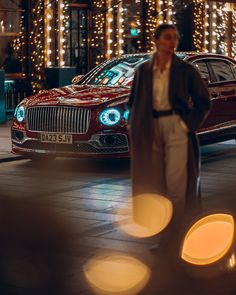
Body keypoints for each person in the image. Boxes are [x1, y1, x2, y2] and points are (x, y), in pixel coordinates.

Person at [127, 24, 212, 250]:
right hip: (150, 128)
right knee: (155, 182)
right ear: (156, 40)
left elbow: (204, 101)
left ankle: (182, 235)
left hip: (176, 125)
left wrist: (187, 125)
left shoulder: (185, 70)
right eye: (167, 37)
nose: (172, 42)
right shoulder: (143, 70)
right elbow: (132, 102)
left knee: (178, 183)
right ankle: (164, 236)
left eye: (175, 37)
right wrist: (135, 127)